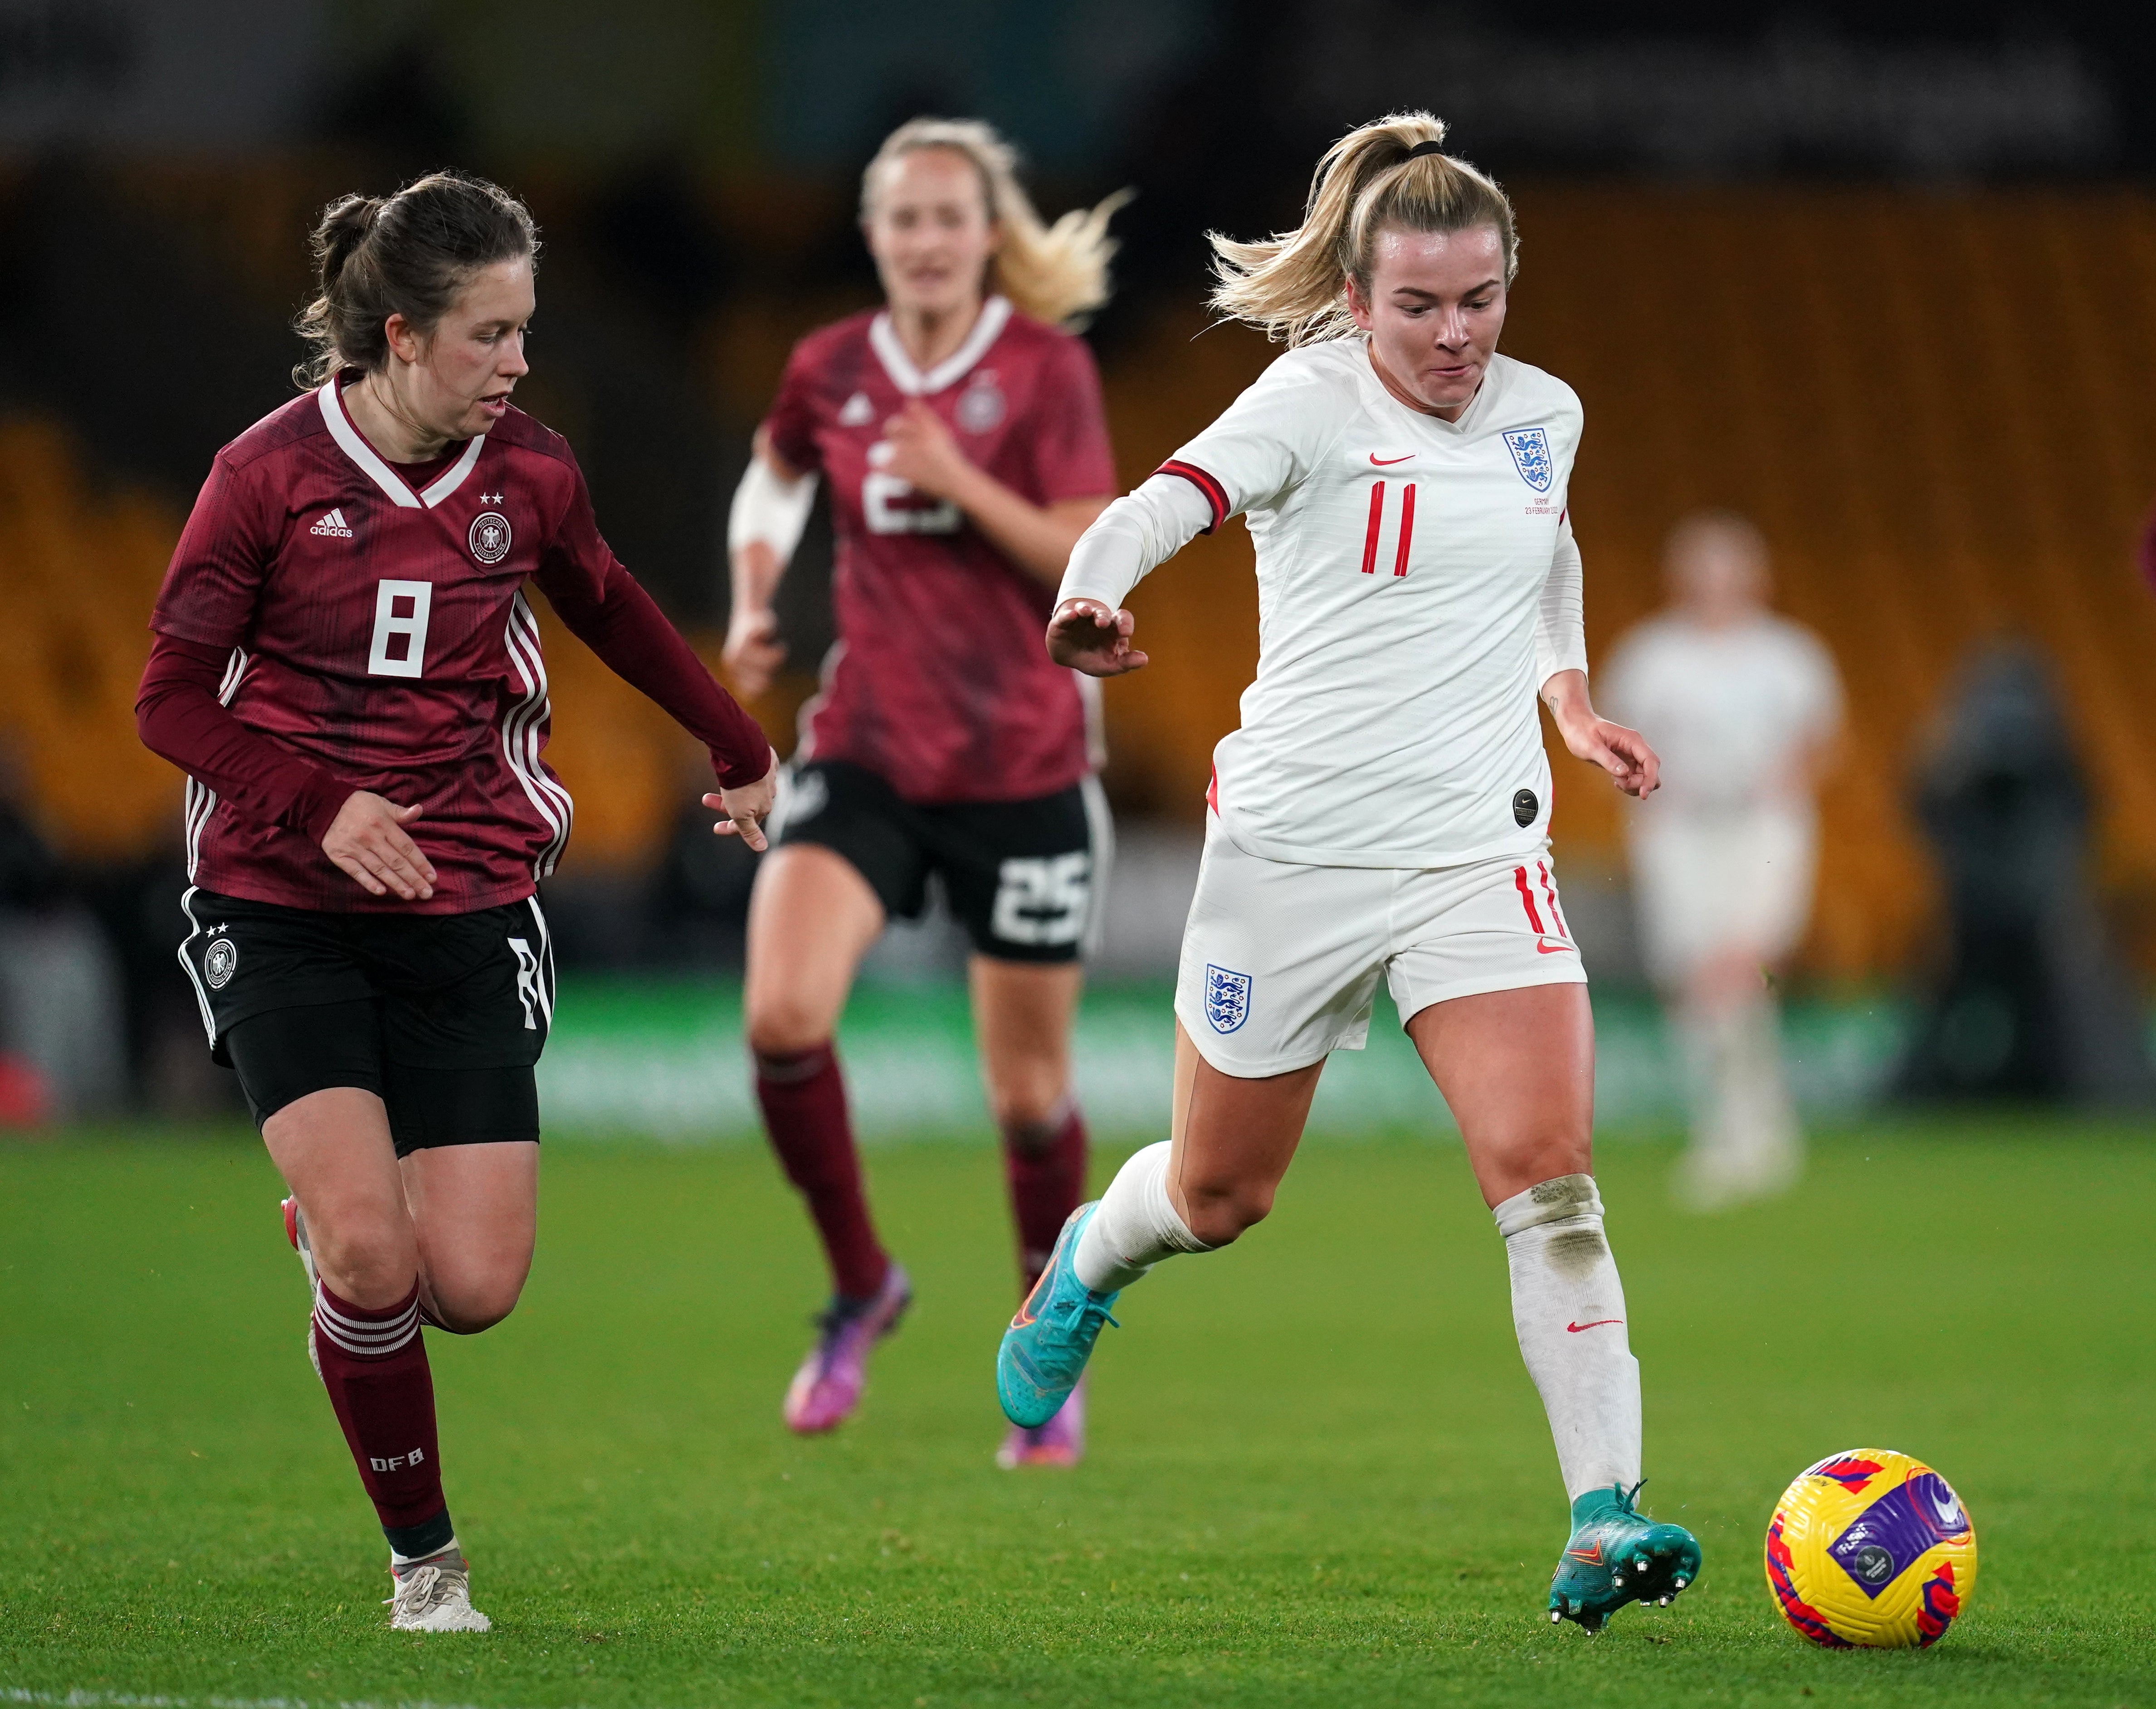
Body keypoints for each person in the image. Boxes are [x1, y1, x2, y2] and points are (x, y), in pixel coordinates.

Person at [994, 112, 1702, 1632]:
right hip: (1293, 858)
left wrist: (1565, 696)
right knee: (1216, 1193)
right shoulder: (1303, 403)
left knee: (1551, 1182)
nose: (1453, 336)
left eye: (1478, 300)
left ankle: (1601, 1514)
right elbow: (1153, 507)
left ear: (1508, 285)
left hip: (1474, 855)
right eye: (1418, 306)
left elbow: (1545, 547)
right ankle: (1087, 1261)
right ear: (1359, 299)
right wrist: (1085, 598)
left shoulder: (1542, 412)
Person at [134, 172, 776, 1632]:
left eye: (527, 329)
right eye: (493, 335)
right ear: (403, 339)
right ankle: (426, 1564)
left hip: (468, 892)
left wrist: (736, 742)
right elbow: (166, 700)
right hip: (277, 893)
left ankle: (345, 1260)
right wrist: (320, 804)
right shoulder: (264, 478)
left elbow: (604, 598)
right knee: (376, 1254)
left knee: (473, 1286)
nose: (519, 362)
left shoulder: (529, 472)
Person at [724, 119, 1123, 1466]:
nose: (928, 239)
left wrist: (957, 480)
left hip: (1022, 768)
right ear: (875, 231)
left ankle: (1042, 1336)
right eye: (905, 217)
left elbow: (1085, 550)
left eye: (952, 217)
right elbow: (777, 469)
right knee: (781, 1012)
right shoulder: (830, 367)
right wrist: (753, 592)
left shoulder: (1045, 368)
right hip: (868, 752)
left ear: (987, 235)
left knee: (1026, 1097)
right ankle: (859, 1285)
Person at [1599, 515, 1842, 1208]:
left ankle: (1749, 1132)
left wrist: (1783, 781)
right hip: (1676, 827)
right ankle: (1734, 1127)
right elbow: (1611, 743)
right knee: (1693, 978)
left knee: (1740, 967)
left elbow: (1821, 739)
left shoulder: (1789, 654)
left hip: (1764, 825)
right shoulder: (1650, 654)